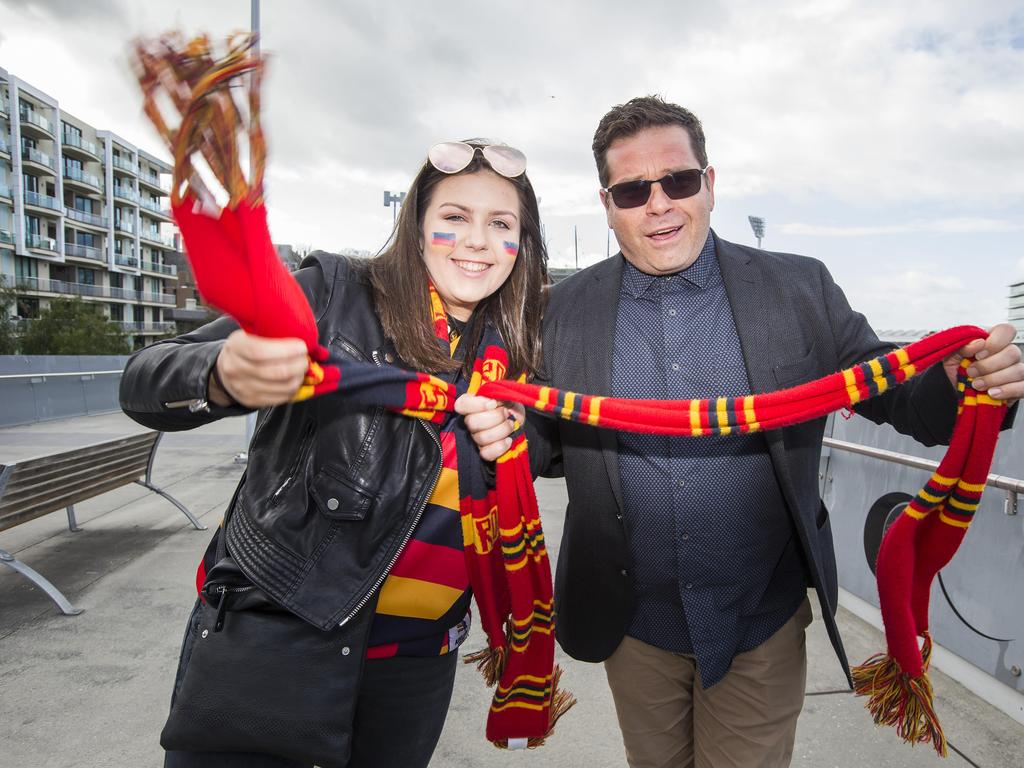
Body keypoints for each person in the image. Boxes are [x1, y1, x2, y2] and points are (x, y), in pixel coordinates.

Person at [459, 96, 1023, 768]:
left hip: (759, 621)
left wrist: (966, 378)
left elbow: (899, 397)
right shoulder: (563, 311)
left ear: (711, 183)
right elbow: (543, 447)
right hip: (632, 628)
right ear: (608, 205)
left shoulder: (799, 288)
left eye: (680, 181)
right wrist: (504, 431)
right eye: (634, 190)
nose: (660, 204)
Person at [120, 139, 548, 768]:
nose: (477, 241)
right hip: (280, 643)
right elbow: (146, 377)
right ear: (417, 225)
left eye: (500, 224)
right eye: (454, 217)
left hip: (418, 662)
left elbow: (542, 452)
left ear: (522, 242)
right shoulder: (335, 295)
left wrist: (518, 434)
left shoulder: (509, 350)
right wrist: (221, 373)